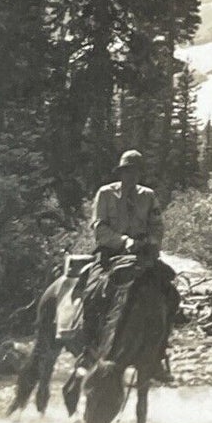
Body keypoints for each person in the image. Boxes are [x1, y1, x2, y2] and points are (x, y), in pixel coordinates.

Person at [78, 149, 177, 379]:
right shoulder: (105, 194)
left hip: (141, 256)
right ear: (121, 173)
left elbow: (157, 226)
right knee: (93, 293)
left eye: (134, 172)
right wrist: (124, 241)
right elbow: (99, 227)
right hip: (111, 254)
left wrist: (149, 242)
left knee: (170, 294)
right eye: (126, 172)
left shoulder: (148, 196)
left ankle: (158, 353)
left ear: (140, 173)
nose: (130, 176)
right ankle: (88, 349)